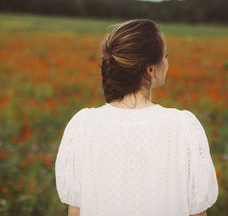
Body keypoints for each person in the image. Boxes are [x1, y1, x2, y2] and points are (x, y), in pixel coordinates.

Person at [55, 19, 218, 216]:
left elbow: (75, 212)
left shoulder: (83, 125)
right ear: (150, 70)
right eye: (165, 56)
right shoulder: (182, 127)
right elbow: (197, 213)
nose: (167, 62)